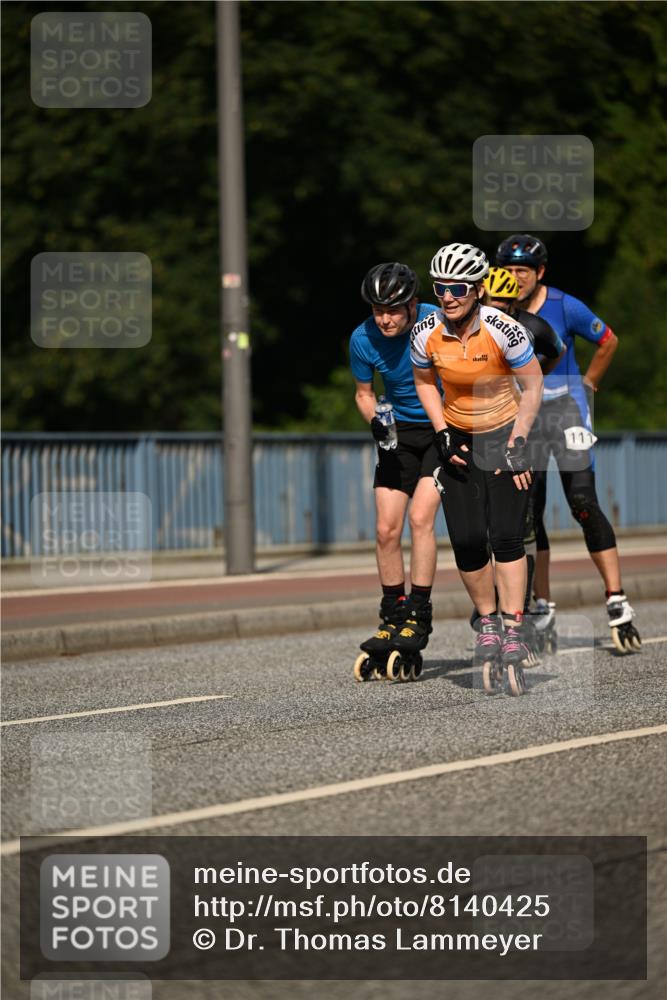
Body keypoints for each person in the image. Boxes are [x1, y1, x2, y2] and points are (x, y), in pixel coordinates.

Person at [496, 234, 641, 653]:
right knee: (529, 511)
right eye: (507, 271)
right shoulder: (497, 311)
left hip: (567, 411)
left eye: (522, 271)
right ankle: (542, 605)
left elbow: (608, 339)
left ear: (540, 272)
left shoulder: (564, 305)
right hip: (527, 416)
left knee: (582, 501)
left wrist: (590, 382)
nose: (515, 279)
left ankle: (616, 598)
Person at [410, 243, 544, 694]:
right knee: (467, 539)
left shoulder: (503, 329)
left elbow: (534, 384)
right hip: (459, 437)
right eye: (440, 287)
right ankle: (488, 624)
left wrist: (520, 440)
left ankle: (514, 627)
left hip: (506, 433)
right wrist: (440, 429)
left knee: (505, 535)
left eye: (458, 288)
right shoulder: (425, 331)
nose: (447, 296)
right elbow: (424, 380)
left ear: (478, 289)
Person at [350, 262, 442, 681]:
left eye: (393, 310)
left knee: (420, 518)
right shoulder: (362, 338)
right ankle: (393, 614)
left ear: (412, 305)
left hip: (443, 429)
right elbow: (364, 393)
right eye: (377, 310)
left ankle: (419, 614)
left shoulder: (436, 323)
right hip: (398, 434)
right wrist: (375, 421)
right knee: (387, 529)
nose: (384, 319)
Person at [482, 266, 565, 655]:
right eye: (490, 301)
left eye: (503, 303)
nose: (496, 308)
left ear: (514, 303)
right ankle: (489, 608)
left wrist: (533, 381)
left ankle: (524, 609)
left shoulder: (529, 326)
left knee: (522, 522)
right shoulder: (474, 326)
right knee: (485, 522)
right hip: (484, 427)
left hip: (522, 430)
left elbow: (557, 351)